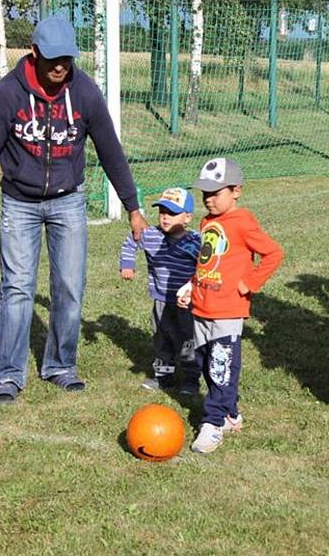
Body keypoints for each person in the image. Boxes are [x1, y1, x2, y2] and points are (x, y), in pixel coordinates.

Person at [0, 16, 145, 404]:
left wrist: (133, 208)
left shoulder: (84, 92)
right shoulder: (8, 93)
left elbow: (111, 152)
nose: (60, 66)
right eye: (52, 58)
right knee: (17, 289)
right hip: (19, 202)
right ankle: (9, 374)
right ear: (34, 52)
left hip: (68, 201)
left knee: (70, 286)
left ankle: (61, 365)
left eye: (66, 58)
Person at [177, 158, 283, 454]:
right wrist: (190, 286)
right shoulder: (207, 222)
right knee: (204, 364)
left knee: (221, 366)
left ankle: (212, 424)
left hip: (227, 311)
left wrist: (249, 283)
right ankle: (231, 413)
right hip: (201, 307)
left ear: (236, 190)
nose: (208, 199)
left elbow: (273, 253)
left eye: (215, 193)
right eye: (204, 193)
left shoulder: (243, 222)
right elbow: (206, 262)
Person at [119, 187, 202, 394]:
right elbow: (131, 242)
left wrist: (194, 289)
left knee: (188, 340)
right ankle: (164, 377)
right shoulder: (152, 235)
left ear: (187, 217)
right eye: (162, 212)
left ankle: (191, 379)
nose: (165, 218)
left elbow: (205, 267)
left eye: (172, 214)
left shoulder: (195, 242)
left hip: (186, 304)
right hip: (161, 300)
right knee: (162, 339)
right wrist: (127, 264)